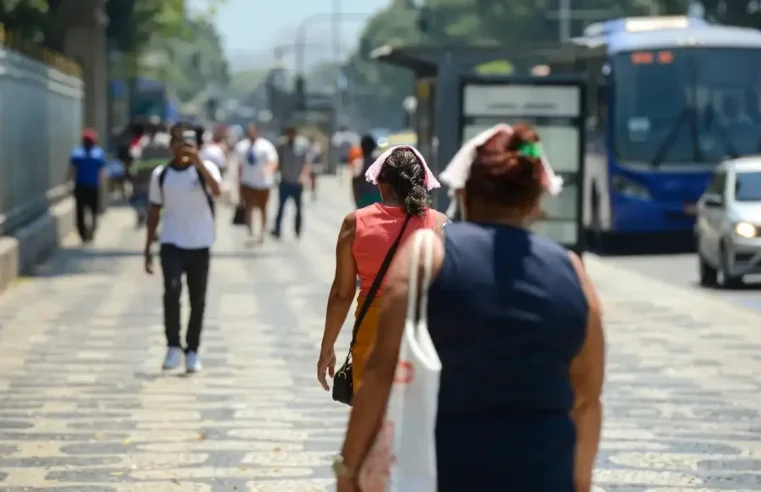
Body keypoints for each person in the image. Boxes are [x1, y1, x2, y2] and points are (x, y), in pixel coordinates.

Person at [333, 124, 604, 492]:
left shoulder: (426, 258)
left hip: (447, 469)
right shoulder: (573, 271)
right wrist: (580, 483)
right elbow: (587, 399)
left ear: (465, 190)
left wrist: (349, 470)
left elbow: (381, 373)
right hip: (543, 472)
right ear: (535, 199)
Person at [317, 145, 447, 393]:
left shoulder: (354, 223)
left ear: (382, 184)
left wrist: (327, 348)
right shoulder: (439, 224)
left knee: (372, 418)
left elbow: (341, 294)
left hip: (372, 333)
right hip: (422, 333)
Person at [144, 122, 223, 373]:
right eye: (178, 141)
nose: (183, 147)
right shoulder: (161, 175)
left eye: (188, 142)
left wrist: (198, 162)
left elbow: (218, 191)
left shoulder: (205, 168)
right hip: (171, 243)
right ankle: (173, 346)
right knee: (171, 292)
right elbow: (154, 211)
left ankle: (192, 350)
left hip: (200, 243)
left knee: (197, 299)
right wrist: (147, 247)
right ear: (170, 145)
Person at [235, 123, 278, 245]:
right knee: (248, 207)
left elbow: (273, 161)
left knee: (262, 209)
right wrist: (238, 183)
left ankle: (261, 233)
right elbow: (239, 166)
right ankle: (250, 232)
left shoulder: (265, 146)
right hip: (248, 182)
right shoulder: (241, 147)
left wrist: (268, 171)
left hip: (263, 184)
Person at [271, 126, 310, 239]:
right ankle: (277, 229)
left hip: (297, 183)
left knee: (298, 208)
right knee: (281, 207)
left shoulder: (302, 146)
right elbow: (278, 161)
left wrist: (303, 176)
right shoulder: (282, 146)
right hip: (285, 181)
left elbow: (306, 163)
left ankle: (297, 229)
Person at [70, 129, 106, 243]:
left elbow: (72, 170)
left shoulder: (77, 153)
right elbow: (102, 170)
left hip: (80, 186)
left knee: (80, 211)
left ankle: (83, 233)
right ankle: (92, 230)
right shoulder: (98, 153)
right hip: (93, 186)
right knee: (93, 210)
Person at [351, 135, 383, 208]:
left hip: (362, 200)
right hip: (378, 199)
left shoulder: (358, 163)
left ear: (361, 147)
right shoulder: (379, 162)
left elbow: (355, 178)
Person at [306, 135, 324, 201]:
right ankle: (312, 190)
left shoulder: (316, 146)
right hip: (310, 164)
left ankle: (313, 192)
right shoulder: (308, 146)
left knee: (314, 179)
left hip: (315, 165)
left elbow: (318, 155)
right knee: (311, 179)